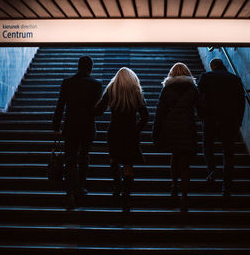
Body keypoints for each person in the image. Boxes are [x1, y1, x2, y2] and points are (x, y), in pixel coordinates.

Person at [95, 67, 148, 213]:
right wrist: (136, 130)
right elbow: (145, 117)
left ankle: (117, 186)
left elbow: (98, 110)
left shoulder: (112, 89)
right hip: (130, 132)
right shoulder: (135, 91)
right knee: (128, 166)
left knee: (114, 160)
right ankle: (126, 198)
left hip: (115, 131)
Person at [53, 56, 103, 208]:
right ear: (90, 68)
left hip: (70, 127)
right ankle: (81, 187)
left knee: (70, 159)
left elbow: (60, 105)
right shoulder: (96, 84)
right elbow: (97, 111)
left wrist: (56, 126)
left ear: (78, 66)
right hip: (87, 128)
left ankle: (70, 193)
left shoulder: (67, 83)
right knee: (84, 158)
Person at [152, 62, 199, 212]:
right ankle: (184, 197)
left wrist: (156, 131)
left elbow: (160, 112)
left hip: (171, 128)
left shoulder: (166, 89)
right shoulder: (193, 89)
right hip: (187, 128)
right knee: (185, 164)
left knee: (175, 155)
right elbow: (202, 108)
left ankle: (173, 185)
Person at [197, 58, 245, 197]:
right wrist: (238, 121)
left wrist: (202, 116)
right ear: (223, 66)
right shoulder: (235, 79)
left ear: (212, 66)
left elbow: (198, 98)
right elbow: (241, 102)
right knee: (228, 154)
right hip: (229, 122)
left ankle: (212, 169)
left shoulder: (206, 77)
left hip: (210, 119)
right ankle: (227, 187)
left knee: (207, 146)